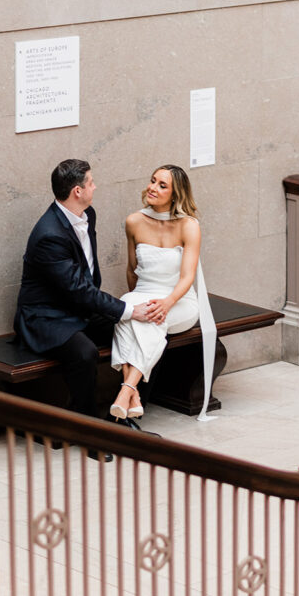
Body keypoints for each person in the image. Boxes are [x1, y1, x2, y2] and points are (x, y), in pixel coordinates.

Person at [14, 160, 152, 428]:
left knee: (140, 331)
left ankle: (124, 409)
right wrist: (128, 309)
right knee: (85, 353)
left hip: (80, 308)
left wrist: (129, 316)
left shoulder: (88, 215)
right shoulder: (49, 235)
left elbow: (85, 284)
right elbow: (78, 289)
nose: (95, 186)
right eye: (91, 182)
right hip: (47, 317)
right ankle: (88, 429)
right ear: (78, 191)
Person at [110, 165, 217, 426]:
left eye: (162, 185)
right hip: (144, 294)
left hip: (179, 301)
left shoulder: (189, 226)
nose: (153, 188)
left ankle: (126, 391)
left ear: (175, 193)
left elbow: (187, 277)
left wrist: (167, 303)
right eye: (152, 181)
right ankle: (132, 397)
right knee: (127, 308)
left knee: (150, 319)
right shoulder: (134, 221)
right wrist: (138, 299)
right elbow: (131, 269)